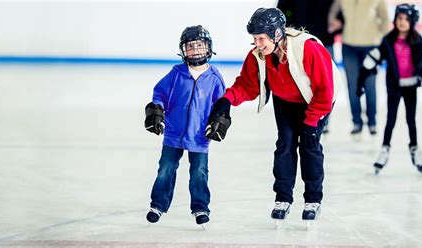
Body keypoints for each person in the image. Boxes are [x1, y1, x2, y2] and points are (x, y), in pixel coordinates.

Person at [206, 8, 341, 223]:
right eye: (254, 39)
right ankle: (283, 198)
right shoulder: (258, 55)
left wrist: (312, 121)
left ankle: (313, 199)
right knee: (285, 145)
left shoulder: (308, 48)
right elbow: (247, 86)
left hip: (315, 101)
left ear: (277, 34)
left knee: (309, 145)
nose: (257, 43)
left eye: (261, 38)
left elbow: (325, 90)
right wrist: (226, 100)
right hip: (285, 102)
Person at [144, 25, 226, 226]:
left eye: (199, 45)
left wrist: (220, 120)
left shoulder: (215, 78)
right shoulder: (176, 73)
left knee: (199, 172)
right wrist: (156, 110)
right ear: (183, 50)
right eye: (190, 46)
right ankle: (158, 205)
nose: (195, 50)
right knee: (165, 168)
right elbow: (160, 94)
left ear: (208, 48)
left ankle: (200, 208)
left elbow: (222, 104)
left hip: (199, 136)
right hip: (173, 132)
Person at [356, 4, 422, 175]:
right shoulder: (388, 40)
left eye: (406, 19)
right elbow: (376, 56)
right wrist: (363, 75)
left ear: (412, 21)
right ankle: (384, 149)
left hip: (410, 85)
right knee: (391, 120)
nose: (402, 22)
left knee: (411, 120)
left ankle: (415, 149)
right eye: (399, 18)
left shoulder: (417, 40)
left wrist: (420, 71)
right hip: (394, 87)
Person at [277, 0, 343, 134]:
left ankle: (322, 120)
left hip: (324, 40)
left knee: (327, 83)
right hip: (298, 43)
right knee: (298, 82)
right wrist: (289, 28)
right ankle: (303, 118)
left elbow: (339, 8)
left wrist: (339, 22)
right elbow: (282, 11)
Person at [328, 0, 390, 135]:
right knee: (352, 86)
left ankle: (372, 121)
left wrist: (383, 41)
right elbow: (333, 11)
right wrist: (333, 21)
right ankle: (356, 121)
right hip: (349, 46)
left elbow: (385, 19)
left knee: (369, 85)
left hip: (371, 46)